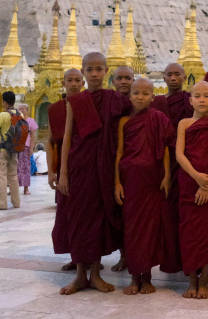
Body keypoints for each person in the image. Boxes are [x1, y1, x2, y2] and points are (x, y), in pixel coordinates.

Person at [58, 52, 131, 295]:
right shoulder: (76, 101)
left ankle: (97, 275)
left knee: (99, 219)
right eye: (89, 70)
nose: (95, 74)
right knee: (79, 219)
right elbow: (68, 136)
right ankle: (80, 275)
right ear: (83, 72)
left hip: (105, 167)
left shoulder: (115, 99)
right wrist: (64, 173)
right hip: (80, 166)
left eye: (99, 69)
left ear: (106, 71)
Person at [115, 77, 178, 295]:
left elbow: (167, 149)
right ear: (130, 95)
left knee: (150, 231)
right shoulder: (124, 122)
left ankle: (148, 277)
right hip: (131, 182)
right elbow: (120, 154)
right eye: (136, 93)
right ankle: (134, 277)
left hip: (153, 182)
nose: (140, 97)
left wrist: (167, 176)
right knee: (132, 231)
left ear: (153, 96)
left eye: (145, 93)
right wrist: (117, 183)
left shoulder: (158, 118)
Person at [176, 81, 208, 299]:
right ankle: (192, 281)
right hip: (189, 183)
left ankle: (205, 281)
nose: (202, 100)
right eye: (197, 96)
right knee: (190, 234)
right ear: (190, 101)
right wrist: (197, 177)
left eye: (207, 95)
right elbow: (179, 154)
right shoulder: (184, 124)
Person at [152, 62, 193, 272]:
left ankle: (189, 259)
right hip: (165, 161)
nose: (174, 78)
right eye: (169, 75)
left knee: (188, 214)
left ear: (185, 77)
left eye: (178, 74)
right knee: (168, 215)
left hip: (188, 161)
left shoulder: (191, 100)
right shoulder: (158, 102)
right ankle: (171, 260)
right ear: (164, 78)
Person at [48, 68, 84, 271]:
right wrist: (52, 172)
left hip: (86, 165)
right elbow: (51, 141)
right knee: (66, 214)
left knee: (86, 214)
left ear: (83, 82)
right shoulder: (55, 109)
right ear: (63, 82)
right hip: (65, 166)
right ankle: (74, 257)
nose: (73, 83)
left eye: (77, 80)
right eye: (69, 80)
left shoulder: (89, 104)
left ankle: (88, 256)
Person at [111, 65, 134, 273]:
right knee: (117, 215)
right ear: (113, 81)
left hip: (136, 166)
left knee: (133, 215)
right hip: (109, 161)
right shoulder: (107, 102)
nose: (124, 82)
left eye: (128, 78)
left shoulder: (138, 103)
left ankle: (136, 256)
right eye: (120, 78)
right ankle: (123, 255)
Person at [0, 91, 21, 210]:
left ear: (5, 101)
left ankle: (2, 204)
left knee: (1, 175)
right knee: (13, 176)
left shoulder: (3, 115)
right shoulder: (19, 114)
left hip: (3, 149)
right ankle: (16, 202)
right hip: (15, 149)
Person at [17, 104, 37, 195]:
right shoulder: (15, 120)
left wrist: (32, 148)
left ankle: (26, 189)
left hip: (26, 147)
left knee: (26, 168)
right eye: (19, 109)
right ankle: (13, 189)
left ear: (27, 110)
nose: (21, 110)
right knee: (14, 168)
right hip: (16, 148)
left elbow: (33, 135)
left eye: (23, 109)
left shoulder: (31, 121)